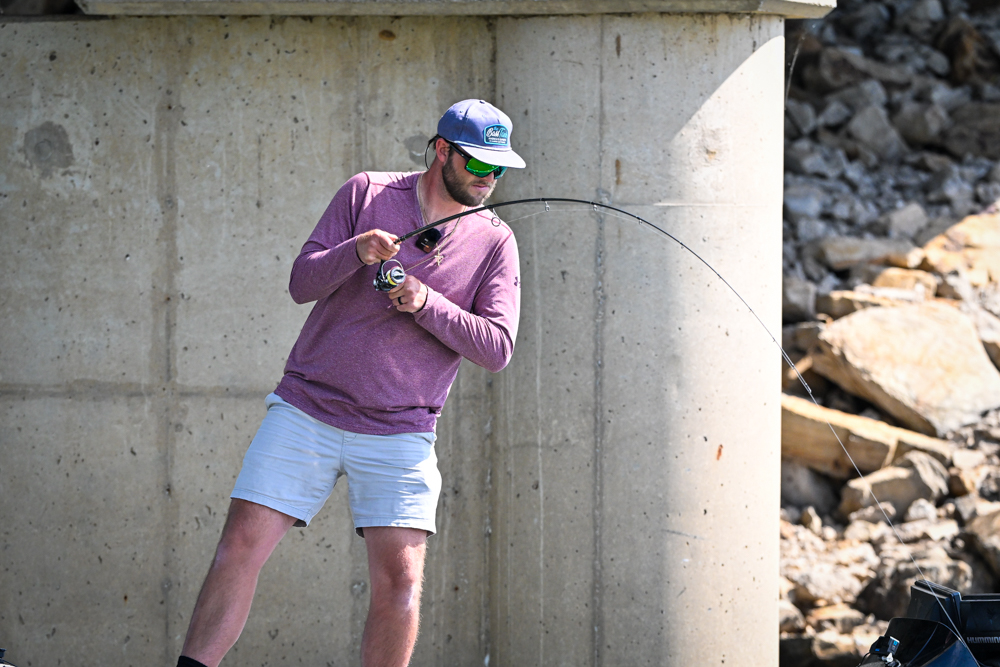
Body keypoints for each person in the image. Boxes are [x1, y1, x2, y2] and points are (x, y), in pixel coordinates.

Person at [176, 99, 524, 667]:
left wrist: (426, 303)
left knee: (400, 583)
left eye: (500, 168)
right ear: (442, 151)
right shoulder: (366, 192)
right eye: (481, 164)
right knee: (238, 548)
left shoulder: (496, 241)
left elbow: (497, 348)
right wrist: (355, 251)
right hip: (306, 410)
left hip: (402, 433)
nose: (490, 178)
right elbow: (301, 283)